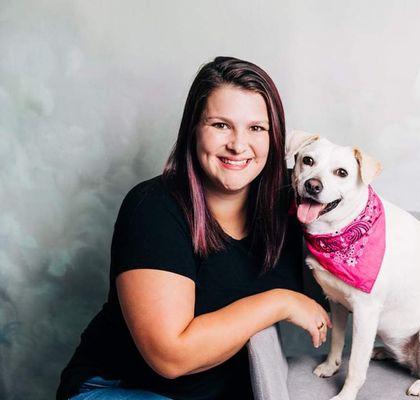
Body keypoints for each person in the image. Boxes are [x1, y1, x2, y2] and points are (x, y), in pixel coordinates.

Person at [56, 56, 331, 400]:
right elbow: (170, 356)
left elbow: (366, 238)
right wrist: (279, 302)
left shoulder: (288, 210)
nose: (238, 144)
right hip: (121, 389)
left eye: (256, 128)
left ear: (274, 138)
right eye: (220, 125)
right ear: (194, 129)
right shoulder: (153, 207)